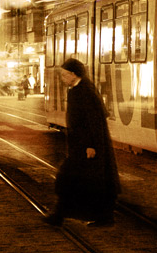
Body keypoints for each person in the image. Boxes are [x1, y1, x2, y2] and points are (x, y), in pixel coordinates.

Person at [44, 58, 121, 227]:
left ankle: (60, 214)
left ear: (73, 74)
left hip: (87, 146)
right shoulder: (78, 89)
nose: (62, 78)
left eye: (64, 75)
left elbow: (93, 119)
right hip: (80, 145)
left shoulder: (84, 90)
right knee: (81, 181)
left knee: (75, 179)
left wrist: (91, 145)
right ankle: (64, 214)